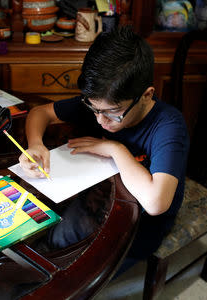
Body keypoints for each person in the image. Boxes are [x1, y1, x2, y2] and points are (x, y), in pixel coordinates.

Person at [18, 26, 190, 274]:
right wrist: (36, 144)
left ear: (146, 95)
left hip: (137, 229)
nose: (100, 121)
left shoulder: (168, 125)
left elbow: (155, 203)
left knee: (65, 270)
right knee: (35, 238)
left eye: (112, 113)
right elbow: (40, 113)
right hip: (96, 198)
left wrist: (115, 148)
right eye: (93, 109)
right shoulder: (102, 101)